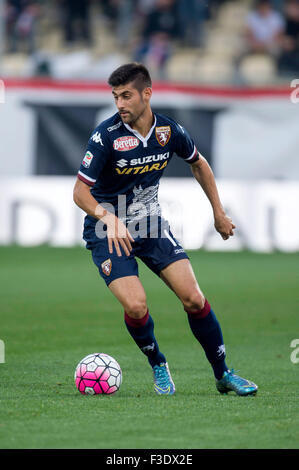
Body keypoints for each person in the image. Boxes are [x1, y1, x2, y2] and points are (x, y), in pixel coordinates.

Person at [73, 62, 258, 397]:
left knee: (193, 298)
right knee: (136, 306)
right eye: (115, 97)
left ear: (147, 93)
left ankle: (224, 374)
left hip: (151, 224)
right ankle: (158, 362)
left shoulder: (168, 132)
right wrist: (108, 217)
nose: (120, 104)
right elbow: (79, 192)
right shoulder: (106, 136)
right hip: (108, 231)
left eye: (126, 96)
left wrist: (218, 212)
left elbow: (198, 163)